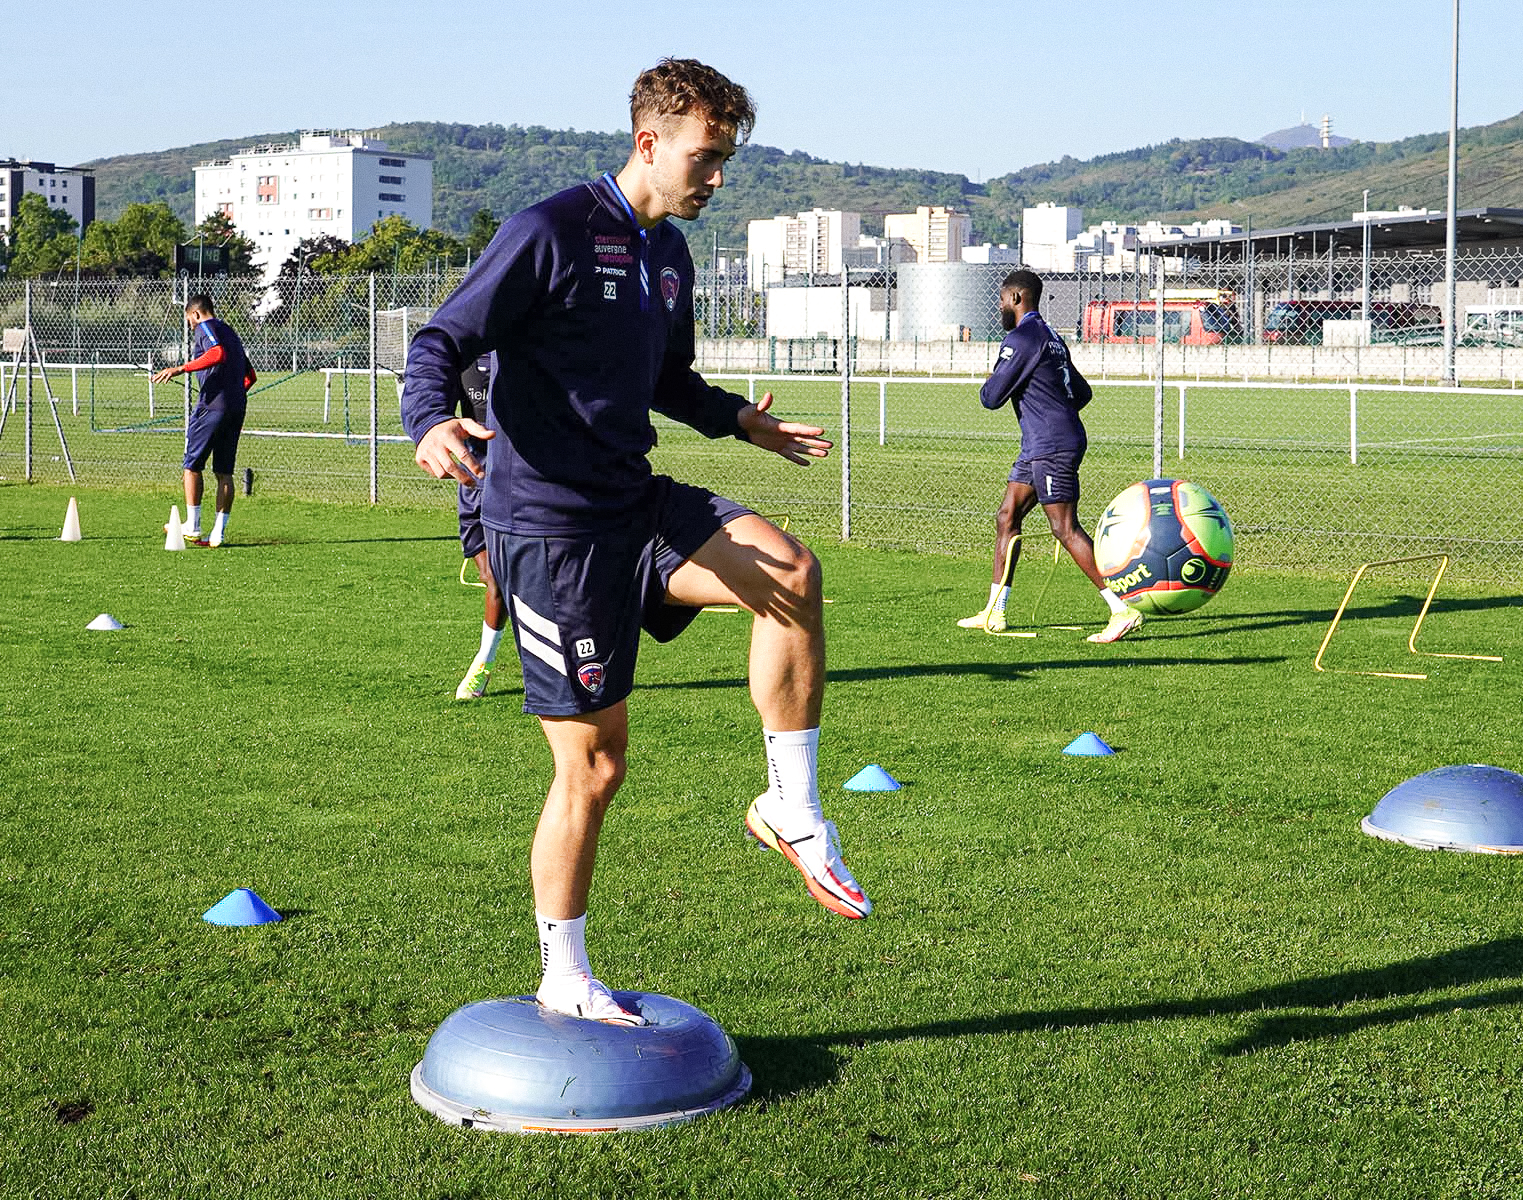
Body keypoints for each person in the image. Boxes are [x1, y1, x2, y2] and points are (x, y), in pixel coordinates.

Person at [401, 58, 871, 1027]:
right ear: (650, 141)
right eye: (708, 157)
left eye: (728, 159)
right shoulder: (549, 231)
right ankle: (563, 975)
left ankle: (791, 808)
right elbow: (438, 342)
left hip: (634, 502)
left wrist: (740, 419)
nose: (719, 179)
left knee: (790, 575)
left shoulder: (670, 258)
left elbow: (666, 380)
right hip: (549, 530)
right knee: (595, 767)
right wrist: (427, 423)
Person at [956, 269, 1143, 644]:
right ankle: (996, 611)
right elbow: (1083, 392)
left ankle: (1122, 609)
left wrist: (1042, 410)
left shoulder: (1022, 337)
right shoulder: (1053, 338)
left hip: (1051, 445)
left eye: (1002, 299)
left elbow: (991, 397)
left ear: (1017, 298)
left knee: (1064, 527)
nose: (1000, 306)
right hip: (1040, 443)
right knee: (1007, 516)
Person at [151, 295, 255, 547]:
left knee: (192, 465)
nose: (191, 327)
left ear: (195, 314)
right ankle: (217, 533)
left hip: (212, 408)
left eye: (189, 321)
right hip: (236, 407)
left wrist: (179, 369)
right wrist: (232, 394)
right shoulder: (231, 332)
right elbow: (250, 376)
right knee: (224, 472)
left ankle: (193, 526)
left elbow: (216, 353)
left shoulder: (205, 327)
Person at [450, 354, 508, 701]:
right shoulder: (460, 353)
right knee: (492, 578)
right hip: (473, 483)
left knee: (500, 582)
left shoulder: (523, 346)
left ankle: (482, 665)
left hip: (515, 483)